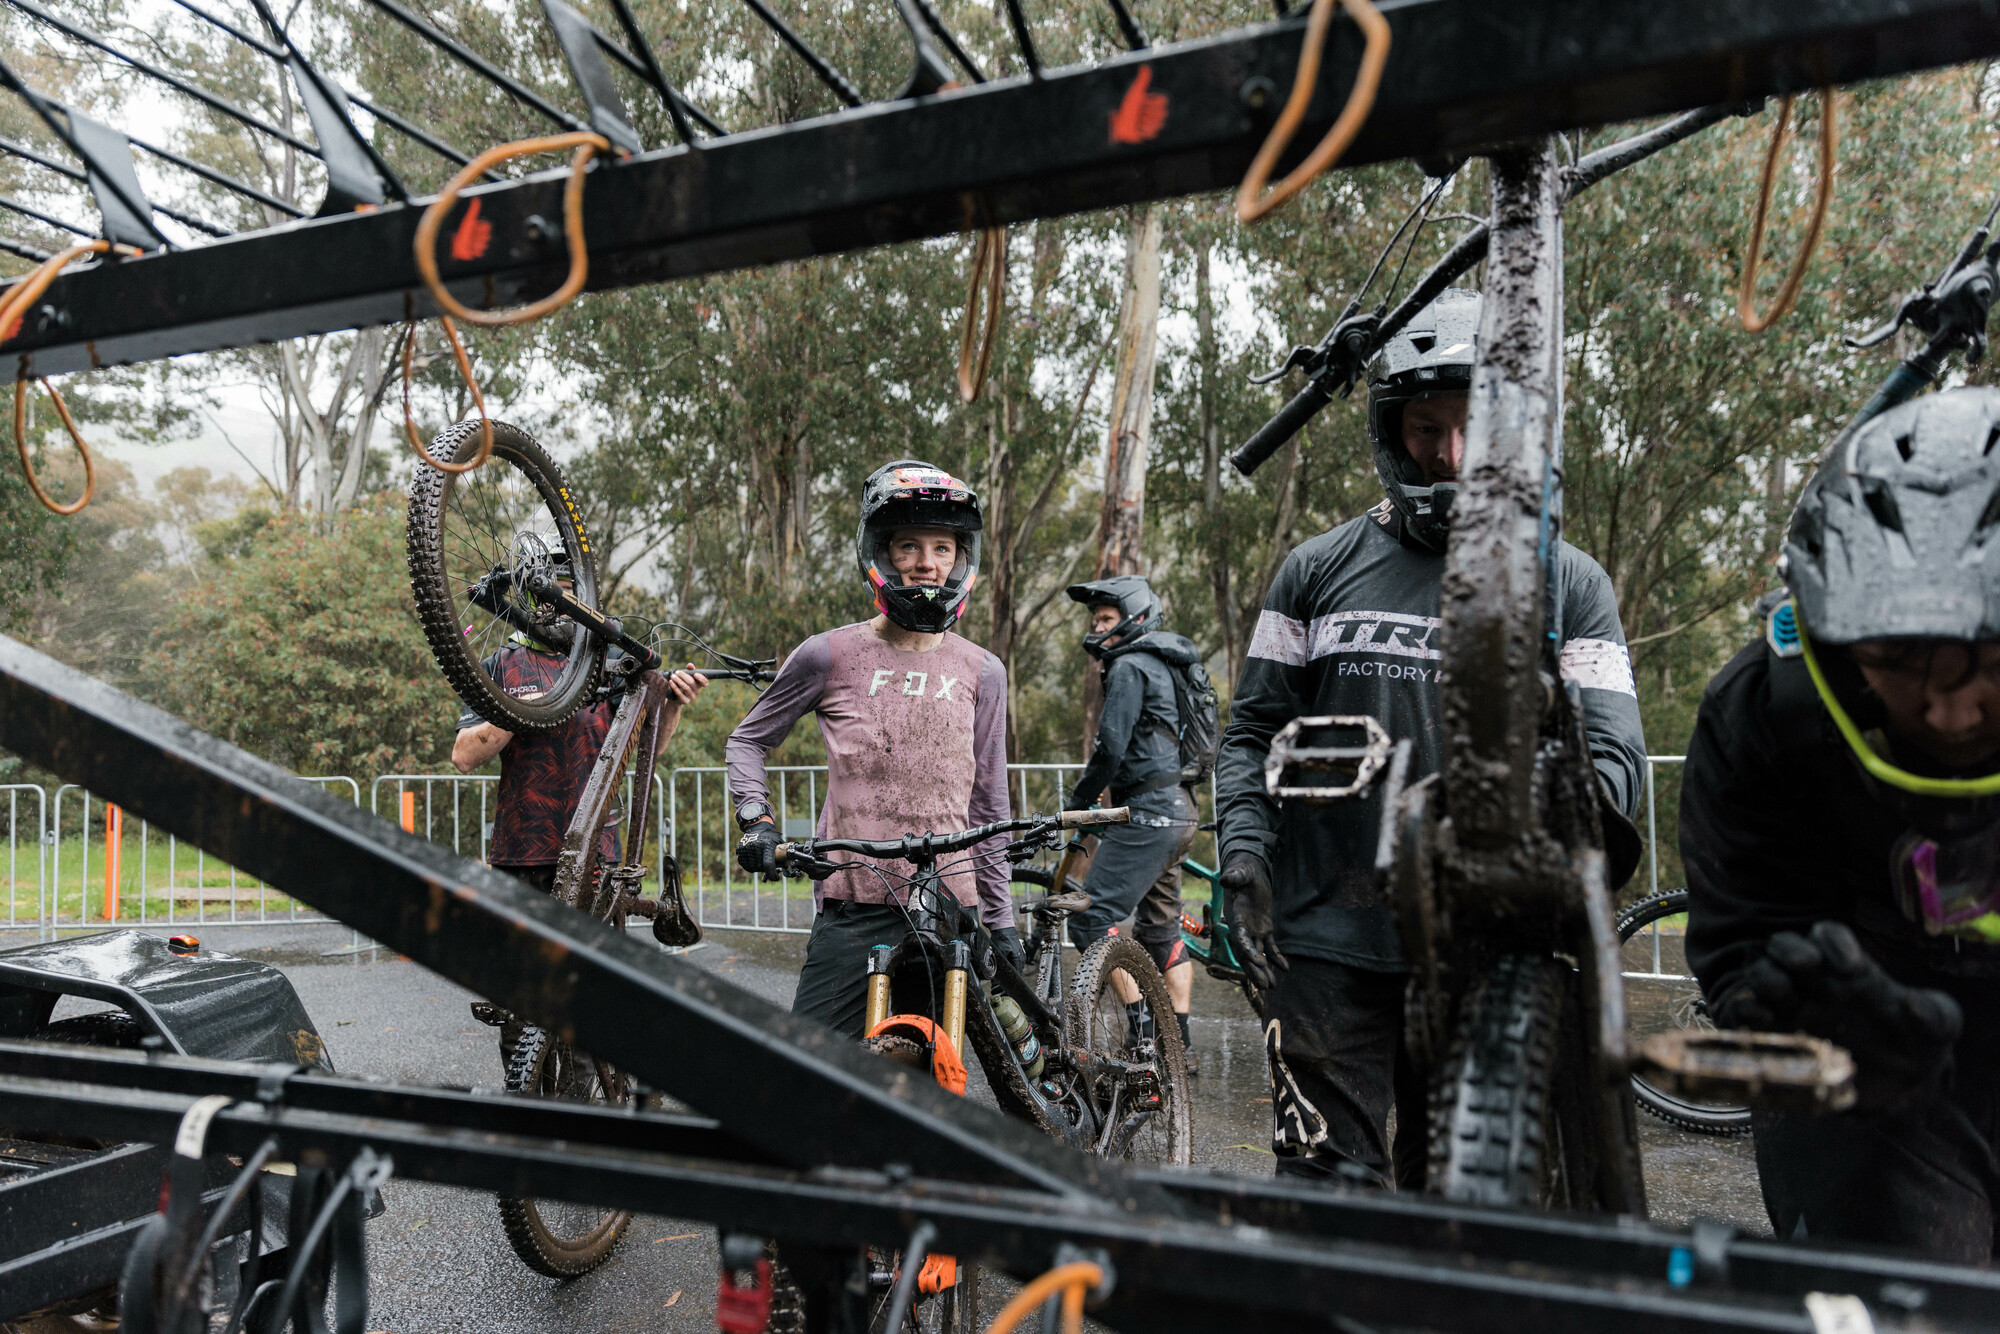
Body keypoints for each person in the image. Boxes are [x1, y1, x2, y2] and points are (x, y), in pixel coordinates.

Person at [1214, 288, 1648, 1188]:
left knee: (1463, 1207)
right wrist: (1246, 856)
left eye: (1473, 428)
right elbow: (1250, 731)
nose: (1448, 456)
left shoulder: (1571, 583)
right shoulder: (1314, 570)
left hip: (1489, 950)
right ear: (1388, 428)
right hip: (1325, 943)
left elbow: (1614, 765)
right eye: (1423, 427)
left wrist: (1561, 864)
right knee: (1327, 1203)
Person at [1683, 387, 2000, 1263]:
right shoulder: (1765, 713)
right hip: (1868, 1038)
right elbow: (1744, 941)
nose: (1949, 709)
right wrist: (1820, 1030)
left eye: (1989, 657)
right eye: (1898, 659)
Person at [727, 460, 1021, 1039]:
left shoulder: (984, 670)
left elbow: (989, 801)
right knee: (807, 1066)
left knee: (932, 1085)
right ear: (880, 555)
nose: (926, 564)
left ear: (963, 560)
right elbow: (747, 740)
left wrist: (1001, 919)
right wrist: (756, 820)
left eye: (943, 548)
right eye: (908, 546)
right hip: (854, 902)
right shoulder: (828, 655)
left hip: (950, 910)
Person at [450, 534, 709, 896]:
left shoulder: (607, 665)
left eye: (570, 592)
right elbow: (463, 756)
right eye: (551, 592)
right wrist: (527, 707)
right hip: (522, 851)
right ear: (528, 594)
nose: (560, 603)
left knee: (588, 952)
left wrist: (674, 703)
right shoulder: (501, 664)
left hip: (595, 848)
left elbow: (653, 746)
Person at [1063, 575, 1206, 1073]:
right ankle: (1178, 1047)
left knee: (1087, 913)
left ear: (1135, 618)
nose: (1097, 627)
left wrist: (1079, 801)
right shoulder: (1165, 666)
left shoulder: (1128, 666)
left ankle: (1145, 1035)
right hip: (1180, 813)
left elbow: (1111, 747)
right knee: (1161, 929)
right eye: (1095, 619)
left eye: (1105, 618)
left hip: (1147, 815)